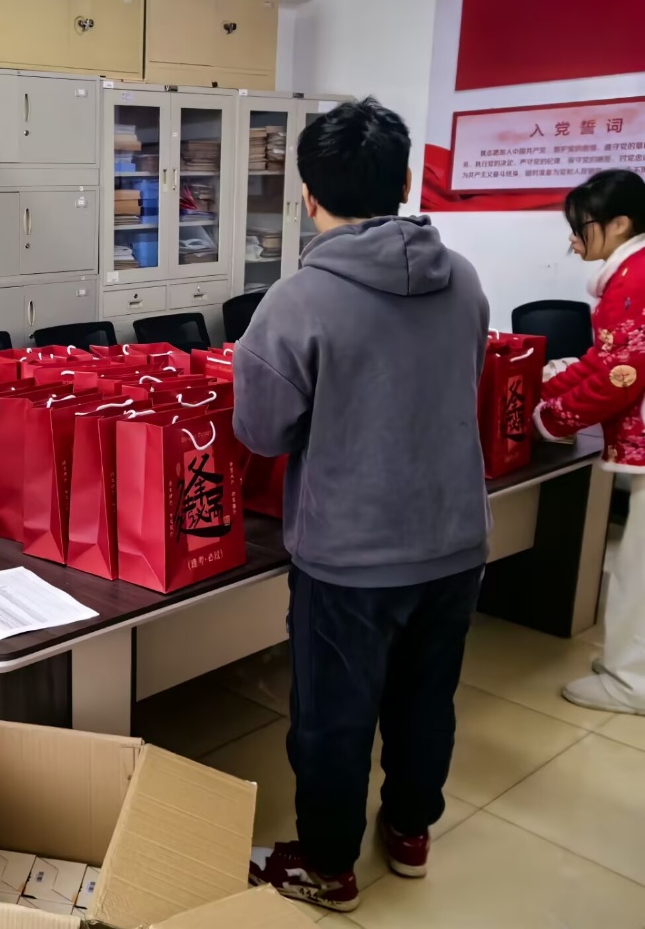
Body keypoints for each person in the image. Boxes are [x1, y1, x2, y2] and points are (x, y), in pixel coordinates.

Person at [234, 98, 491, 913]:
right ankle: (410, 833)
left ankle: (328, 866)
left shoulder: (295, 303)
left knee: (333, 721)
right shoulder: (465, 280)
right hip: (455, 540)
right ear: (406, 179)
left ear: (307, 196)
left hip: (348, 557)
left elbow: (262, 433)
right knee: (426, 699)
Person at [535, 169, 645, 715]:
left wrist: (549, 420)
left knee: (637, 572)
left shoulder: (634, 280)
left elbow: (619, 376)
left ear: (619, 224)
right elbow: (601, 360)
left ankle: (630, 683)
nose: (574, 240)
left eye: (582, 227)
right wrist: (545, 390)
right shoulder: (629, 274)